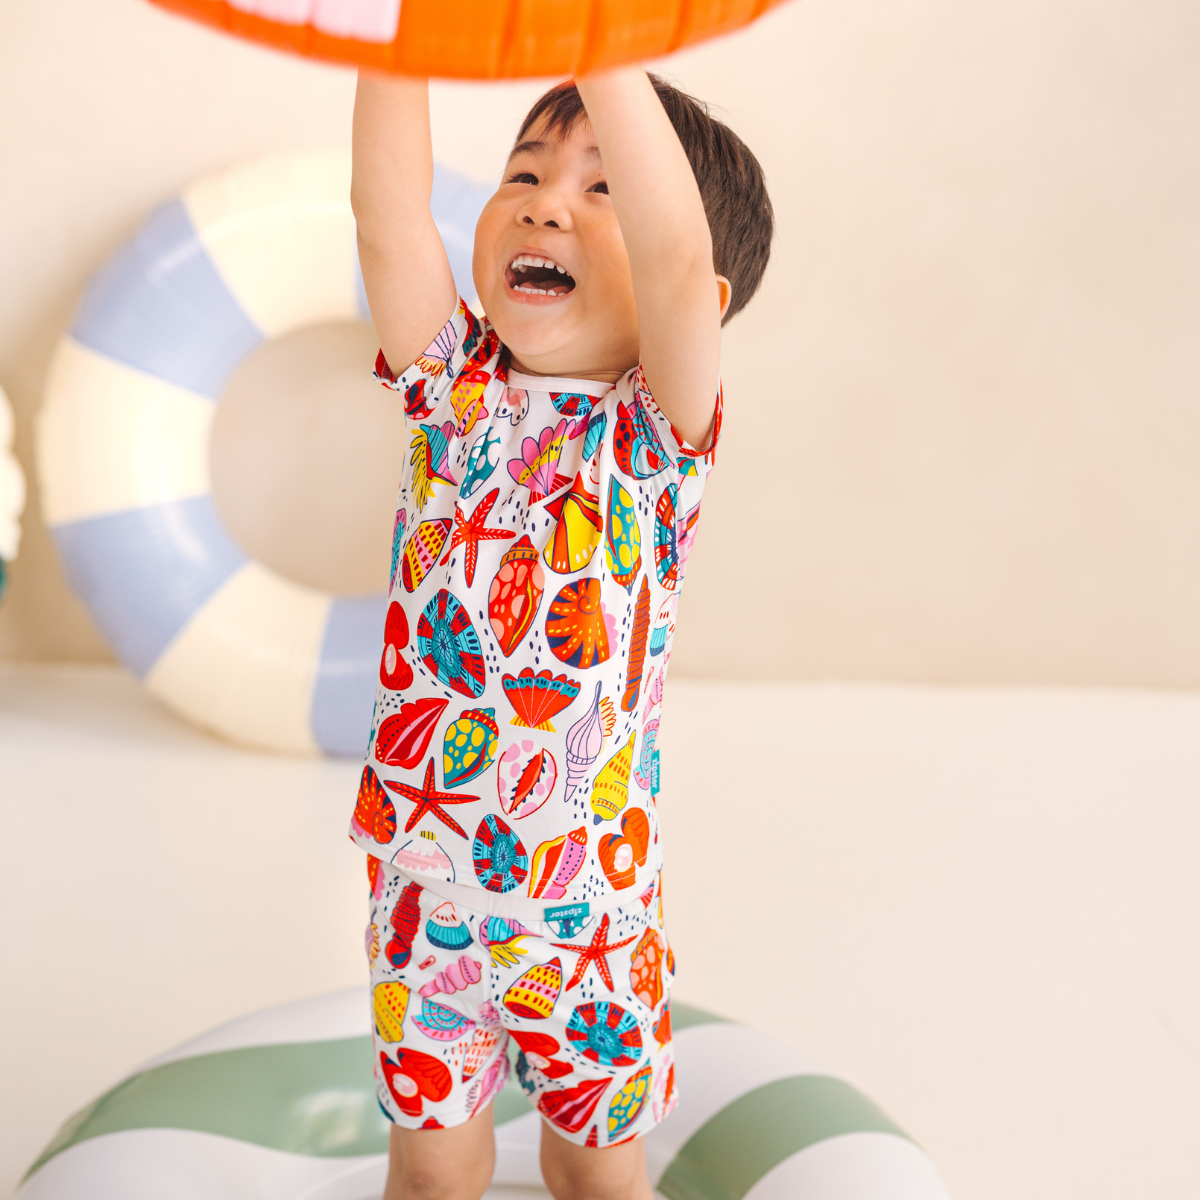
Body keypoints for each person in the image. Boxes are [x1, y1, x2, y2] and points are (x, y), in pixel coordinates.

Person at [350, 65, 772, 1200]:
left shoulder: (653, 439)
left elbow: (677, 258)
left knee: (595, 1174)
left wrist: (605, 44)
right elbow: (387, 219)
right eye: (524, 174)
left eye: (602, 190)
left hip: (587, 913)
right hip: (424, 888)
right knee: (431, 1170)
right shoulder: (453, 391)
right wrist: (396, 38)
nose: (544, 206)